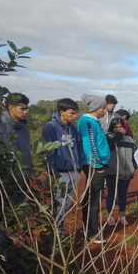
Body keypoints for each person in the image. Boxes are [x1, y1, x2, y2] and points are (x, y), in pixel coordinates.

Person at [41, 98, 82, 236]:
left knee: (67, 204)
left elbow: (78, 147)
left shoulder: (73, 128)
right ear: (61, 112)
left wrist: (79, 166)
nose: (74, 116)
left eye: (75, 113)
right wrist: (52, 171)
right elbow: (48, 150)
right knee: (59, 202)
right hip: (60, 173)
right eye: (71, 113)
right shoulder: (51, 127)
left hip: (74, 171)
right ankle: (56, 233)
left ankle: (59, 230)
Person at [78, 94, 111, 243]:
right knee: (94, 200)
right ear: (97, 108)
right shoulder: (87, 122)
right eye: (103, 108)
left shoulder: (94, 122)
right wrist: (98, 165)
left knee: (92, 197)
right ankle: (92, 232)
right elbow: (90, 146)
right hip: (94, 166)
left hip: (97, 165)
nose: (105, 110)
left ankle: (90, 229)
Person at [105, 117, 136, 227]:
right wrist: (117, 135)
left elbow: (134, 155)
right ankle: (110, 216)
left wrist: (133, 167)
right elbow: (108, 147)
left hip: (126, 172)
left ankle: (122, 215)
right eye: (116, 127)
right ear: (112, 128)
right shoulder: (108, 137)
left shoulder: (129, 139)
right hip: (112, 172)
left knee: (123, 195)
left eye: (120, 127)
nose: (118, 129)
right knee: (111, 195)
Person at [0, 93, 33, 176]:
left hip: (25, 178)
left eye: (27, 109)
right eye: (22, 109)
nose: (26, 112)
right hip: (6, 179)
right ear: (10, 108)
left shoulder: (24, 128)